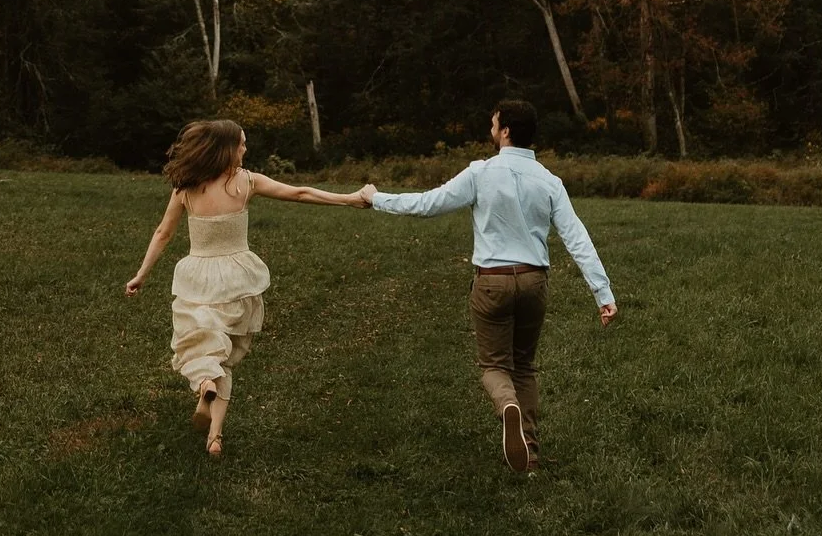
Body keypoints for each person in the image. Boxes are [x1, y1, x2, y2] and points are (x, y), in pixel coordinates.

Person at [363, 98, 616, 473]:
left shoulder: (480, 173)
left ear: (506, 131)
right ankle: (528, 452)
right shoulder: (549, 181)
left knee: (494, 365)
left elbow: (427, 204)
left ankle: (506, 406)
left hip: (493, 283)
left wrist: (375, 198)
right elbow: (576, 236)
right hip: (534, 282)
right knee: (525, 366)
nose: (490, 128)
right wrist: (603, 294)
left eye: (494, 123)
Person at [125, 117, 367, 458]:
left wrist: (141, 274)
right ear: (228, 149)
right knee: (224, 356)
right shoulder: (247, 182)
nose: (245, 148)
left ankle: (205, 386)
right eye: (242, 143)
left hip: (198, 277)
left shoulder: (187, 187)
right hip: (238, 279)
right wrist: (350, 198)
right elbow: (299, 193)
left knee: (198, 343)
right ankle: (215, 437)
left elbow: (163, 233)